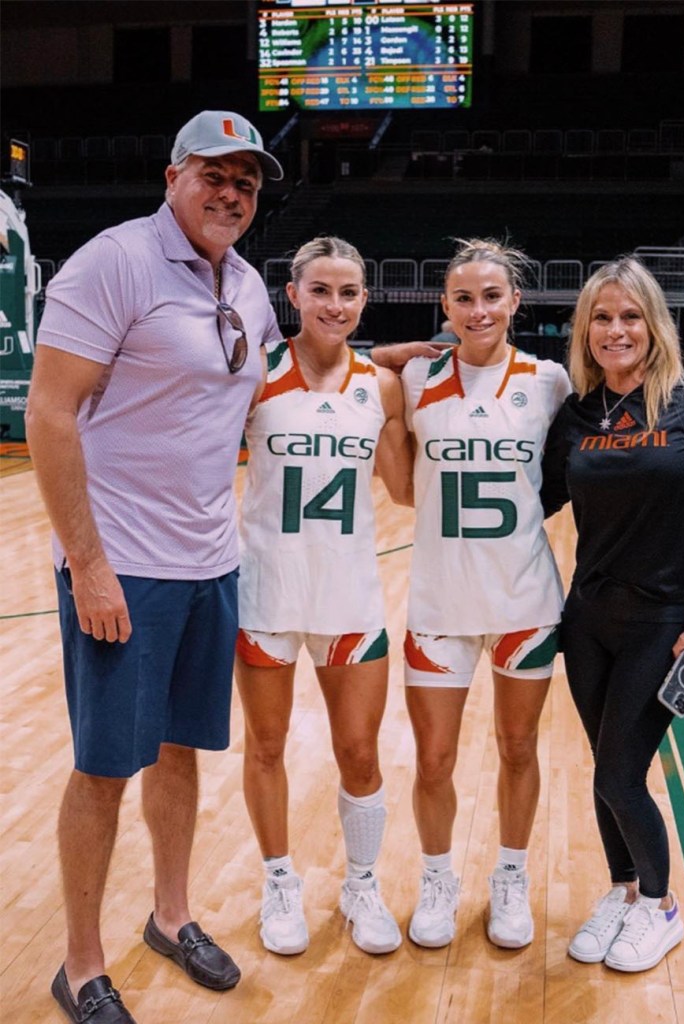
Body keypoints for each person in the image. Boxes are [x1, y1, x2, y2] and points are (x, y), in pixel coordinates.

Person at [25, 110, 286, 1024]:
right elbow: (49, 416)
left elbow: (267, 389)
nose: (231, 194)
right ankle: (81, 965)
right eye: (214, 174)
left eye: (247, 183)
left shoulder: (249, 286)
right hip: (122, 565)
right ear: (172, 174)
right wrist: (87, 566)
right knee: (106, 766)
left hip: (209, 562)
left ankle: (171, 918)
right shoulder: (115, 262)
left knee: (180, 751)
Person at [540, 257, 684, 972]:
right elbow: (534, 500)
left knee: (620, 775)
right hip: (588, 620)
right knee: (605, 764)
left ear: (654, 322)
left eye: (630, 315)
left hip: (665, 624)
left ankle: (661, 907)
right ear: (585, 329)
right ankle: (623, 891)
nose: (616, 329)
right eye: (601, 317)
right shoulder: (576, 415)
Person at [234, 236, 412, 957]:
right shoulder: (253, 376)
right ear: (293, 297)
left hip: (348, 596)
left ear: (364, 300)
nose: (335, 305)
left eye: (349, 293)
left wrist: (424, 382)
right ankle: (279, 884)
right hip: (267, 592)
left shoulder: (383, 385)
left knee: (360, 752)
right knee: (267, 746)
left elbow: (402, 489)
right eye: (321, 291)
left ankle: (361, 885)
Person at [400, 238, 572, 949]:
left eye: (491, 296)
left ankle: (510, 876)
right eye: (463, 298)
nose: (478, 310)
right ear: (444, 305)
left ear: (515, 303)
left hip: (524, 603)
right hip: (439, 605)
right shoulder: (413, 377)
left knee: (519, 748)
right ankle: (437, 879)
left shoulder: (551, 380)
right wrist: (411, 349)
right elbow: (351, 362)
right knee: (433, 759)